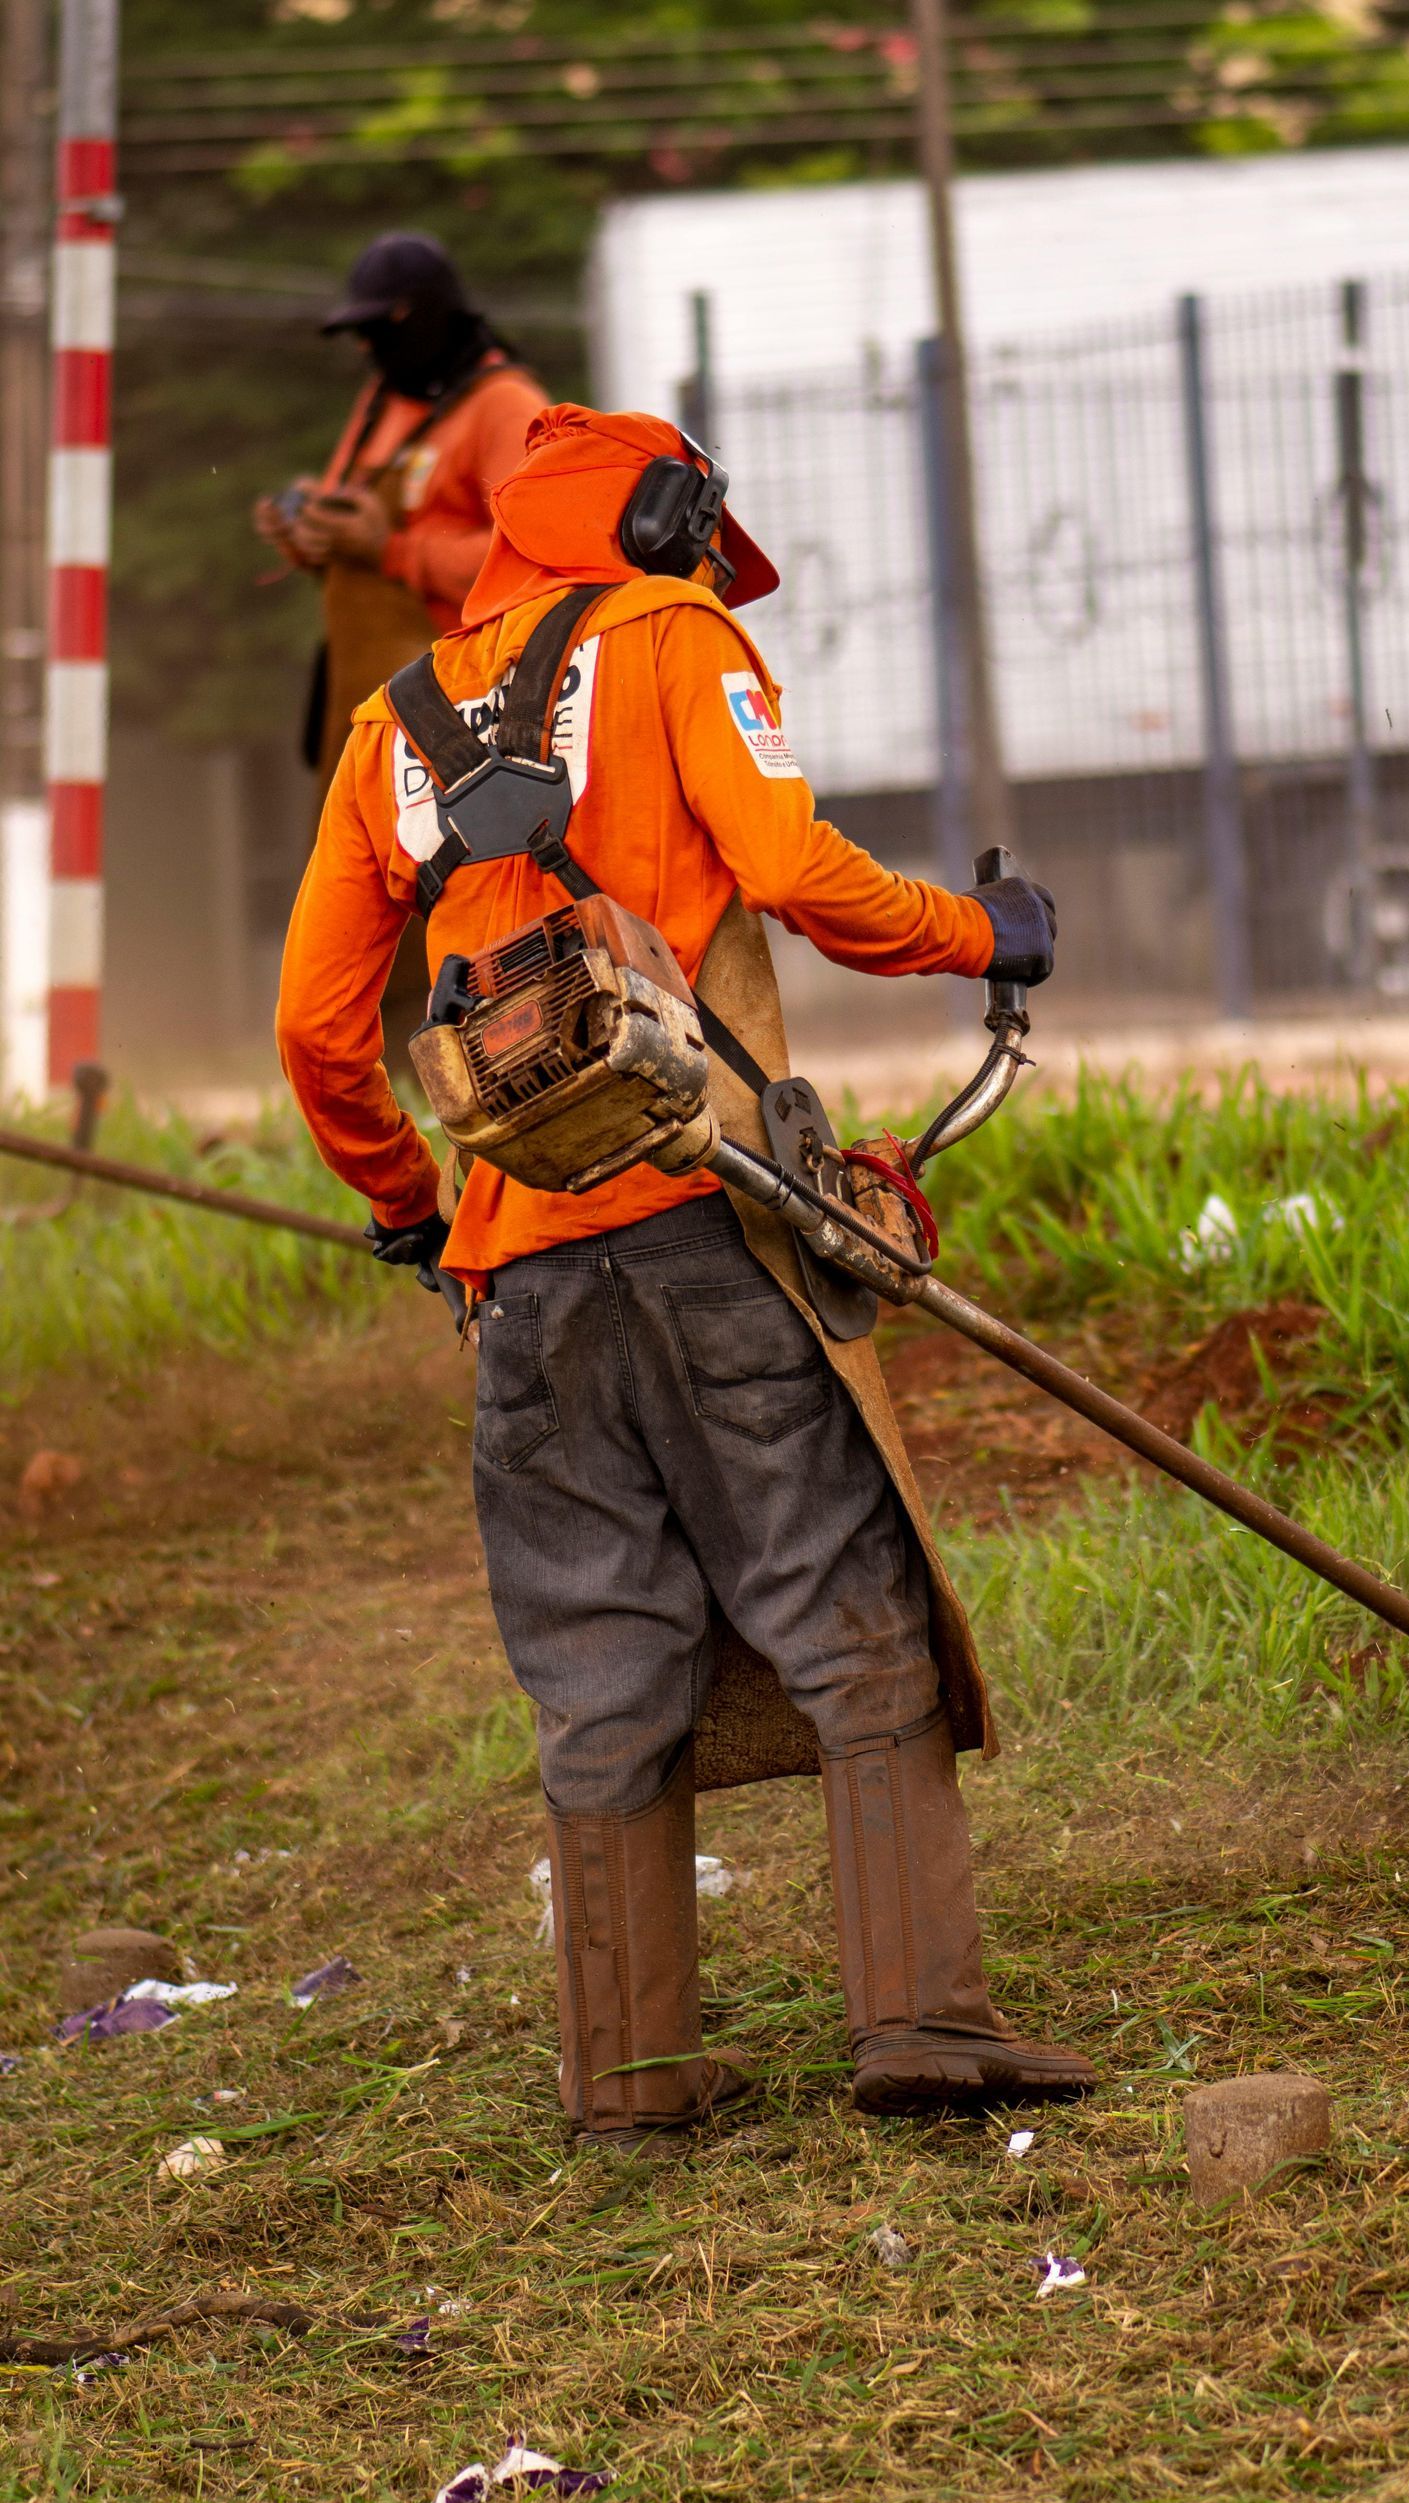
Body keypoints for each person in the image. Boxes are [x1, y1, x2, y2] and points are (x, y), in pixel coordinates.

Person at [275, 403, 1096, 2142]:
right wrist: (981, 932)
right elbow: (795, 873)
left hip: (523, 1272)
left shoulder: (386, 730)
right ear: (665, 516)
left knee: (599, 1657)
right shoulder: (670, 636)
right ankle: (924, 2024)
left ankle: (630, 2077)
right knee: (849, 1608)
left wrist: (412, 1211)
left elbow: (313, 1029)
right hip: (704, 1206)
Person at [254, 233, 549, 789]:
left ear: (431, 317)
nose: (368, 348)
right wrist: (307, 531)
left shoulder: (507, 406)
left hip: (462, 718)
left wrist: (391, 550)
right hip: (366, 705)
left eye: (381, 329)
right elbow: (349, 530)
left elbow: (529, 564)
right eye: (359, 334)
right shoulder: (383, 397)